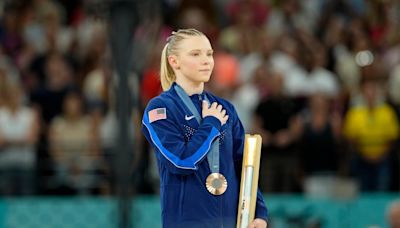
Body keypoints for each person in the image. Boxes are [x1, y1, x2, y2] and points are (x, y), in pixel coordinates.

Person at [141, 28, 268, 228]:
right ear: (174, 62)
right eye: (195, 54)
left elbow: (243, 166)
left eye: (209, 54)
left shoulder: (225, 108)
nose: (206, 60)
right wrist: (211, 124)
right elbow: (180, 162)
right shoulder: (161, 109)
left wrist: (258, 212)